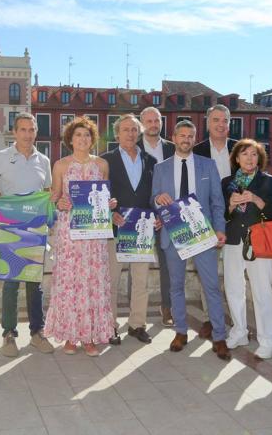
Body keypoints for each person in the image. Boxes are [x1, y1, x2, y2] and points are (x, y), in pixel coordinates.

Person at [152, 120, 230, 360]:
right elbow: (153, 199)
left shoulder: (208, 166)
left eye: (190, 136)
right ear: (173, 137)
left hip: (202, 234)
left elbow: (217, 201)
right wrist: (158, 200)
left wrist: (220, 229)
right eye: (181, 135)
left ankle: (219, 336)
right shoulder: (161, 168)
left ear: (195, 139)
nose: (185, 139)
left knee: (211, 287)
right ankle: (181, 332)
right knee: (176, 286)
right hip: (173, 234)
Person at [43, 117, 115, 356]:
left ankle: (90, 337)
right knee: (70, 282)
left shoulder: (102, 165)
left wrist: (110, 203)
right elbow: (53, 197)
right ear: (70, 140)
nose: (83, 139)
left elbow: (104, 198)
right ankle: (71, 336)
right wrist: (60, 202)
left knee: (93, 282)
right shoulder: (61, 165)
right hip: (69, 233)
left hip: (95, 235)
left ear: (92, 139)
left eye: (87, 135)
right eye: (78, 135)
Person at [0, 112, 54, 357]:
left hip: (35, 228)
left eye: (31, 129)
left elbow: (47, 191)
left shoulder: (43, 160)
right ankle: (8, 334)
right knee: (11, 283)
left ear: (36, 132)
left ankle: (37, 332)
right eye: (23, 129)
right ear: (14, 132)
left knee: (35, 284)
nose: (27, 134)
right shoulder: (0, 158)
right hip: (8, 227)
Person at [221, 139, 272, 359]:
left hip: (259, 243)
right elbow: (222, 216)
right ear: (236, 158)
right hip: (233, 241)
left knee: (262, 291)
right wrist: (230, 205)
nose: (249, 158)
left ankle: (269, 340)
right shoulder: (226, 182)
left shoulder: (269, 182)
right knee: (233, 288)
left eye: (253, 154)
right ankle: (239, 331)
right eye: (244, 154)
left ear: (259, 158)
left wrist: (256, 199)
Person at [102, 114, 157, 345]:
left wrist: (157, 217)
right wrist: (109, 214)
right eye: (126, 130)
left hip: (143, 229)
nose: (130, 134)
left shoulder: (151, 161)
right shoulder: (105, 160)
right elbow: (100, 194)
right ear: (117, 134)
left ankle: (137, 324)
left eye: (135, 130)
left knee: (141, 281)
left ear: (140, 132)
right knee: (111, 281)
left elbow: (154, 195)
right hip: (117, 228)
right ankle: (110, 326)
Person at [192, 104, 238, 340]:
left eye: (225, 120)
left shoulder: (240, 149)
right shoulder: (196, 151)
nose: (221, 124)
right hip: (205, 220)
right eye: (216, 120)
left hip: (236, 220)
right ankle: (211, 319)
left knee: (234, 273)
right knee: (207, 273)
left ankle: (237, 321)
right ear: (207, 123)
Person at [137, 106, 175, 327]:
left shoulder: (172, 149)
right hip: (139, 216)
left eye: (157, 121)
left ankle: (167, 307)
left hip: (166, 217)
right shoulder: (132, 148)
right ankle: (136, 312)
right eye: (149, 121)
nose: (153, 124)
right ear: (142, 124)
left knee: (168, 265)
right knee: (136, 264)